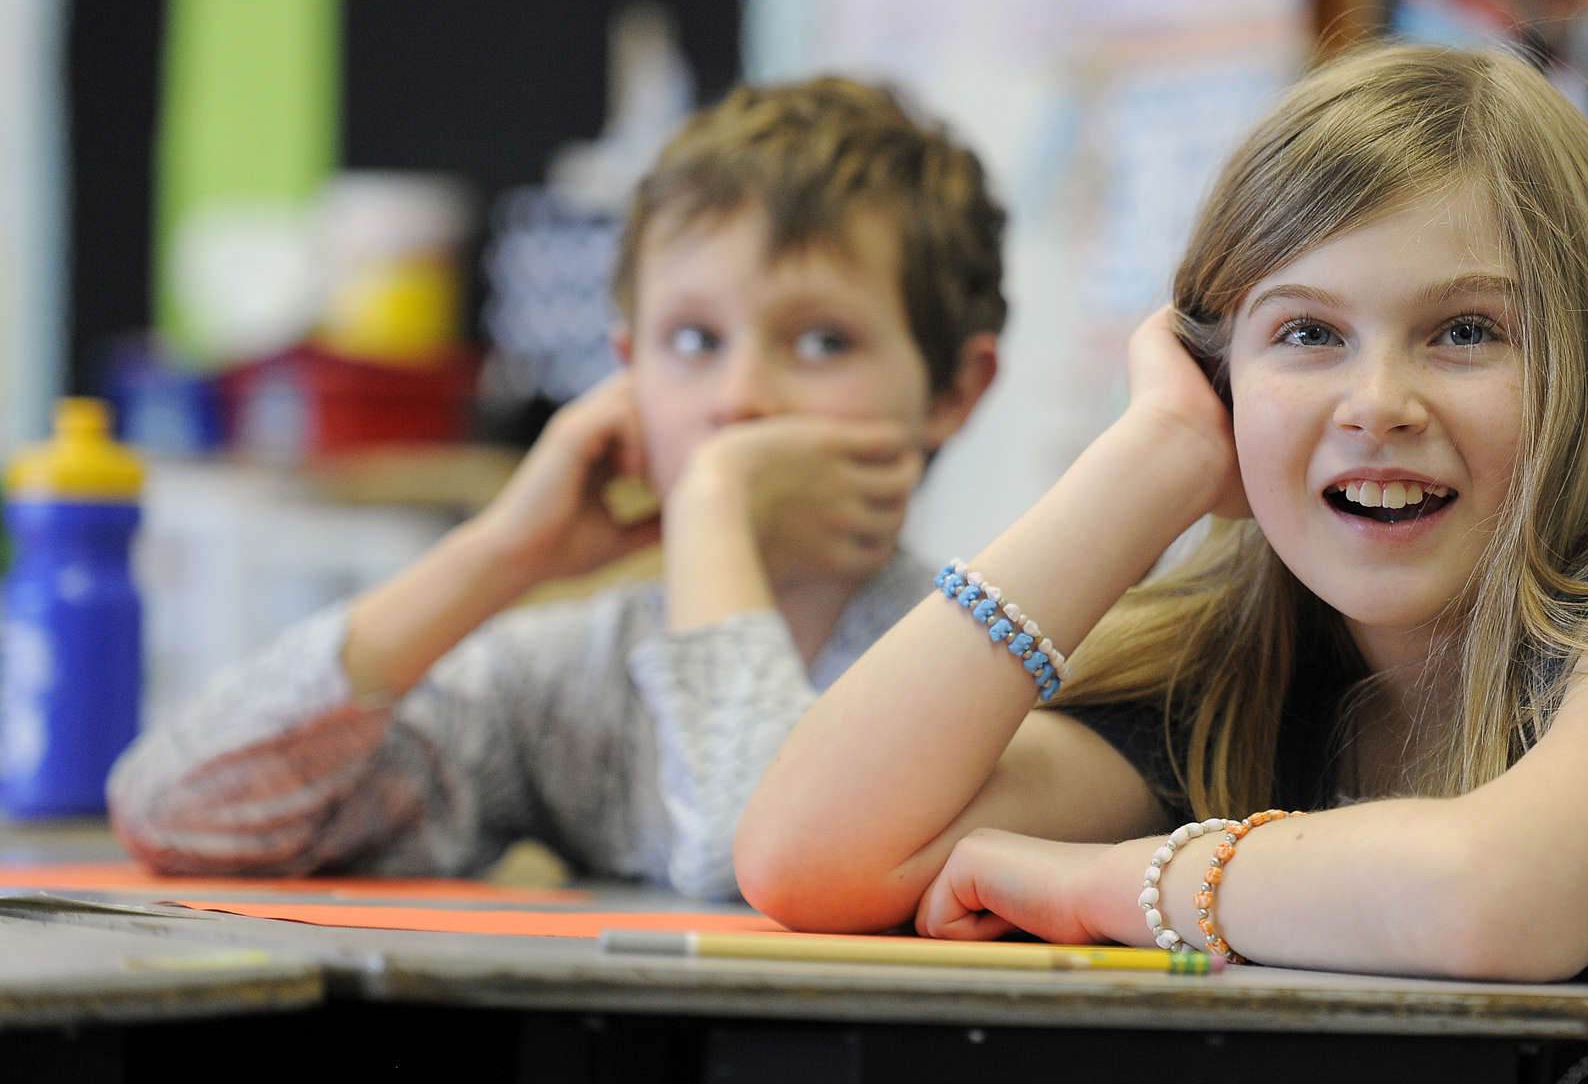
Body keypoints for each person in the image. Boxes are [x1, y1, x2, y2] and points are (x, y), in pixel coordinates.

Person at [735, 44, 1588, 1079]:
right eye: (1306, 333)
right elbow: (807, 851)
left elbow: (1490, 893)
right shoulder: (1232, 688)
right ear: (1219, 380)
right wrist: (1146, 463)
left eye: (1467, 332)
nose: (1377, 401)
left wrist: (1106, 885)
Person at [109, 76, 1006, 899]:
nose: (739, 400)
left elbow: (762, 853)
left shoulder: (980, 673)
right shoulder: (575, 677)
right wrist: (498, 555)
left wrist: (710, 509)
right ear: (627, 374)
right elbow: (176, 810)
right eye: (693, 342)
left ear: (953, 392)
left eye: (821, 343)